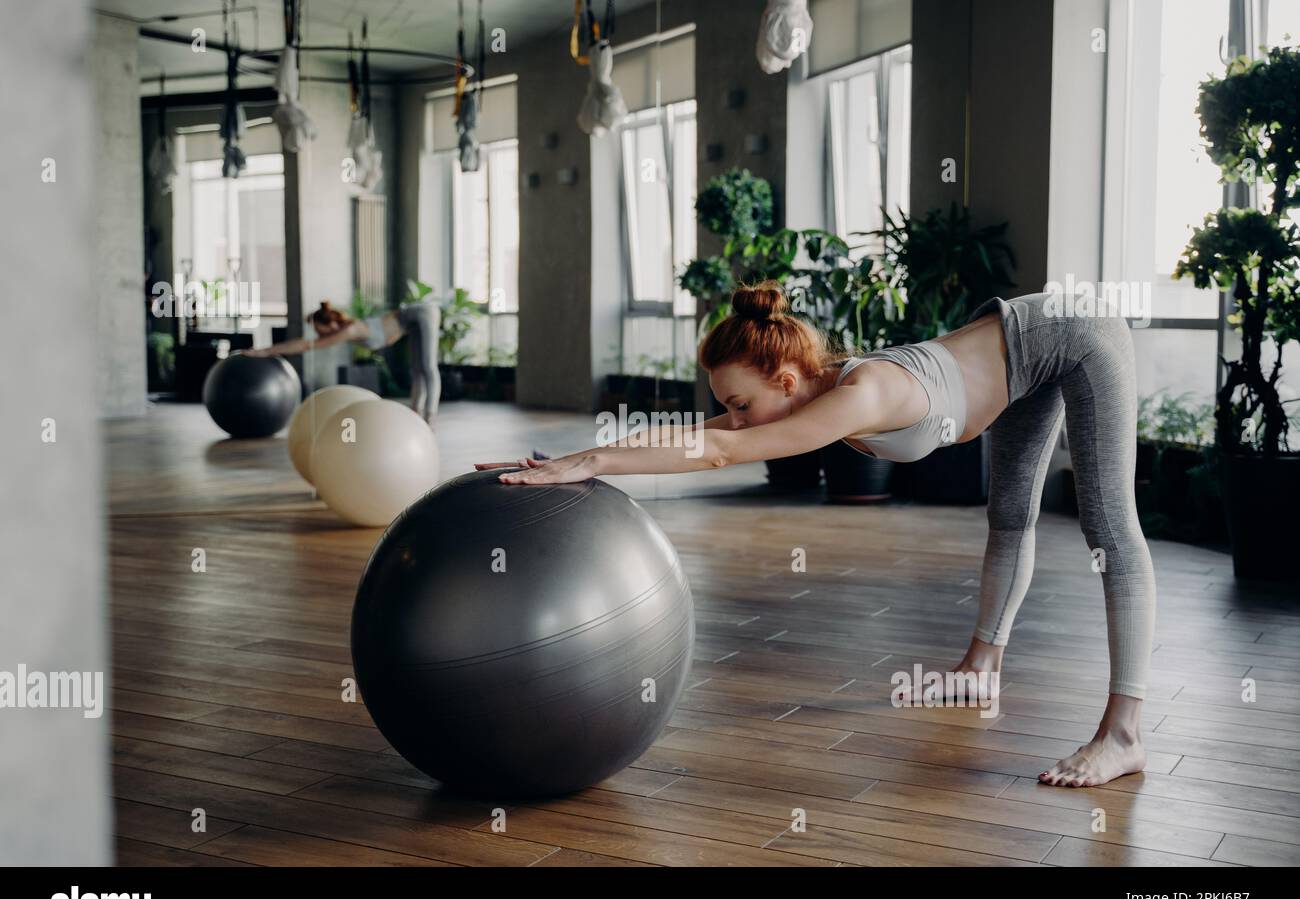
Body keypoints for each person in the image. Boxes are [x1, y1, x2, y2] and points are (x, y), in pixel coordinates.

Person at [475, 280, 1156, 789]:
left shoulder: (861, 396)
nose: (733, 418)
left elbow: (718, 453)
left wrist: (592, 464)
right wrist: (565, 457)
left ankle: (1123, 733)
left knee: (1109, 526)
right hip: (1016, 348)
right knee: (1010, 514)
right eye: (728, 405)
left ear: (789, 379)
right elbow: (705, 436)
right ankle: (980, 672)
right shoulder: (810, 393)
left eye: (741, 404)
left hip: (1076, 332)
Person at [245, 299, 441, 424]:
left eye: (320, 330)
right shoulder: (350, 327)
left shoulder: (349, 330)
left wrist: (265, 351)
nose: (319, 335)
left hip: (422, 311)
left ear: (330, 323)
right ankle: (417, 415)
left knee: (427, 365)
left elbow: (306, 345)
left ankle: (429, 417)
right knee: (417, 369)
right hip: (410, 318)